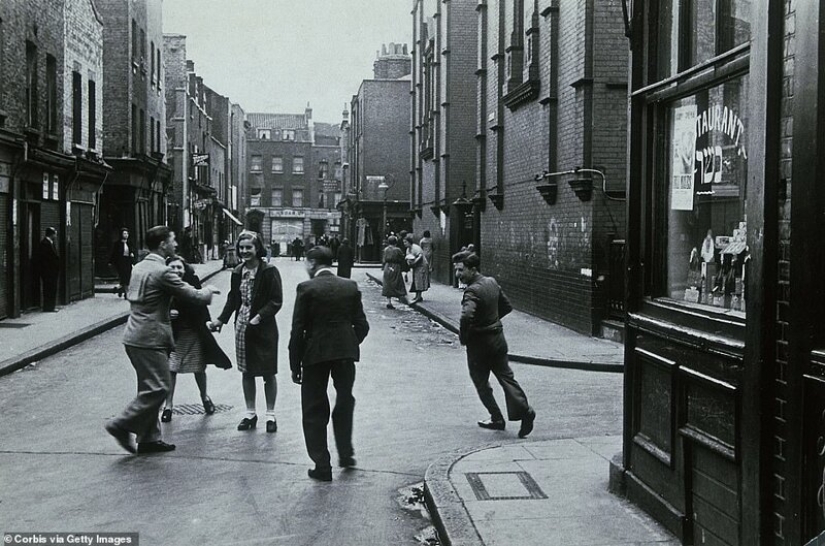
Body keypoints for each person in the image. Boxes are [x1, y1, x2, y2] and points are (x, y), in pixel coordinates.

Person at [104, 226, 220, 454]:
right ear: (163, 244)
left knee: (148, 387)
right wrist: (208, 292)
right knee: (160, 387)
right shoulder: (162, 271)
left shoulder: (139, 266)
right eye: (173, 240)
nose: (176, 245)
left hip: (134, 335)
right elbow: (192, 295)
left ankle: (149, 438)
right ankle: (121, 425)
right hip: (151, 338)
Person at [289, 246, 370, 481]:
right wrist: (349, 342)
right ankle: (346, 453)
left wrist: (295, 364)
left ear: (313, 263)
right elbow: (362, 325)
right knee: (344, 400)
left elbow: (297, 330)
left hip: (315, 355)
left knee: (314, 408)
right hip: (345, 354)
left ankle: (322, 465)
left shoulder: (306, 288)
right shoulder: (349, 286)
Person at [452, 251, 535, 438]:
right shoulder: (491, 282)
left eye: (461, 270)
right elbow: (506, 306)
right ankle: (526, 411)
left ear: (473, 269)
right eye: (457, 270)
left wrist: (465, 336)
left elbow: (466, 316)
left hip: (479, 344)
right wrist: (492, 322)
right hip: (498, 339)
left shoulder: (472, 290)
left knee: (481, 383)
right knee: (507, 378)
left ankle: (496, 418)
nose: (458, 274)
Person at [212, 231, 283, 433]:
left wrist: (260, 316)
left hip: (265, 327)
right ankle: (250, 413)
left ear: (257, 248)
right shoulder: (237, 272)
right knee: (247, 370)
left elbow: (276, 300)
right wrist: (221, 320)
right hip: (243, 325)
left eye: (248, 247)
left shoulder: (269, 271)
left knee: (268, 372)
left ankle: (270, 415)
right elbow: (233, 299)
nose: (244, 251)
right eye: (241, 248)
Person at [161, 256, 232, 423]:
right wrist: (167, 313)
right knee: (171, 369)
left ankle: (205, 398)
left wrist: (207, 321)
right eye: (173, 267)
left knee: (199, 368)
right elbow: (156, 307)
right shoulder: (163, 285)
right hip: (173, 335)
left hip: (193, 332)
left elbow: (201, 304)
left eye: (180, 267)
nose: (177, 270)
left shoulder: (192, 282)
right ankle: (168, 405)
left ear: (184, 269)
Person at [33, 227, 60, 312]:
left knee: (52, 289)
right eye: (55, 233)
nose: (56, 235)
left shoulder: (50, 243)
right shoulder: (45, 244)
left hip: (52, 272)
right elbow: (44, 259)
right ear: (51, 234)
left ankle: (51, 307)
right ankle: (48, 307)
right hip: (48, 272)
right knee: (49, 289)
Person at [108, 228, 136, 298]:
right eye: (124, 233)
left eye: (127, 234)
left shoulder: (129, 243)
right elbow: (114, 253)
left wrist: (132, 256)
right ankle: (126, 293)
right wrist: (111, 262)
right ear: (121, 234)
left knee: (127, 277)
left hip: (128, 261)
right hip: (121, 262)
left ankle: (119, 289)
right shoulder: (118, 244)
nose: (126, 235)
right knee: (123, 277)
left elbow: (132, 251)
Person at [381, 236, 407, 309]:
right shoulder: (397, 250)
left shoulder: (385, 249)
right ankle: (400, 297)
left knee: (387, 283)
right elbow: (402, 258)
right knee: (397, 281)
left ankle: (389, 302)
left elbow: (383, 259)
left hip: (387, 266)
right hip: (395, 266)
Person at [403, 234, 430, 304]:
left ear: (409, 242)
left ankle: (419, 296)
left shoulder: (415, 248)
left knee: (419, 280)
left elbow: (420, 256)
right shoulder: (408, 250)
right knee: (416, 281)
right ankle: (417, 295)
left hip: (421, 265)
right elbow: (408, 257)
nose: (404, 244)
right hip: (415, 266)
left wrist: (414, 262)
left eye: (405, 242)